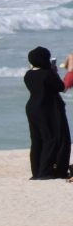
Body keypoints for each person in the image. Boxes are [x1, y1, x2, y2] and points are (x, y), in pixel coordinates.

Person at [24, 46, 71, 180]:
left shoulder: (28, 75)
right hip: (48, 109)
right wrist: (54, 72)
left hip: (32, 108)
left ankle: (37, 171)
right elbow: (61, 87)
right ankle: (47, 172)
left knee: (37, 140)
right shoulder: (47, 73)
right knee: (53, 139)